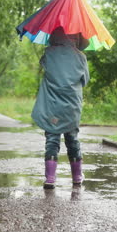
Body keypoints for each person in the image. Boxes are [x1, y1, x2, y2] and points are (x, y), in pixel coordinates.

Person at [31, 27, 90, 189]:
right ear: (77, 38)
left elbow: (43, 66)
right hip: (71, 107)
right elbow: (85, 81)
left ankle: (50, 178)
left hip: (52, 106)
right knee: (72, 139)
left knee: (52, 139)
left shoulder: (49, 54)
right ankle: (77, 177)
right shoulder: (81, 57)